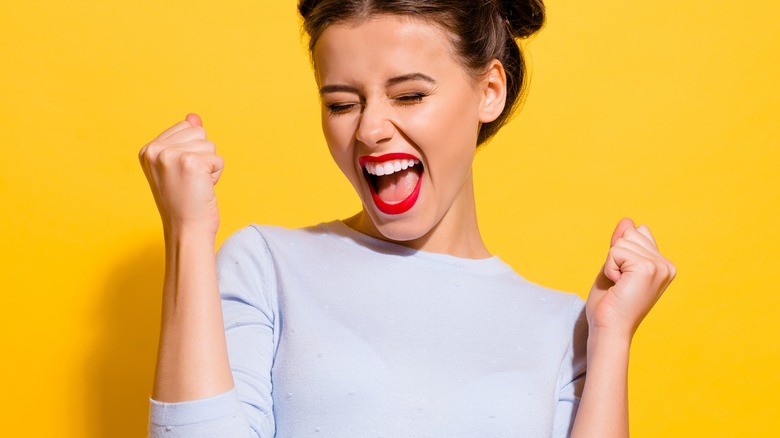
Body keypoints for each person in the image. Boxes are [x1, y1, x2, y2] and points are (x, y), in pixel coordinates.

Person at [139, 0, 676, 436]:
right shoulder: (267, 265)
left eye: (410, 94)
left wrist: (612, 339)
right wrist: (187, 233)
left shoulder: (565, 326)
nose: (371, 128)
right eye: (342, 104)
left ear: (489, 91)